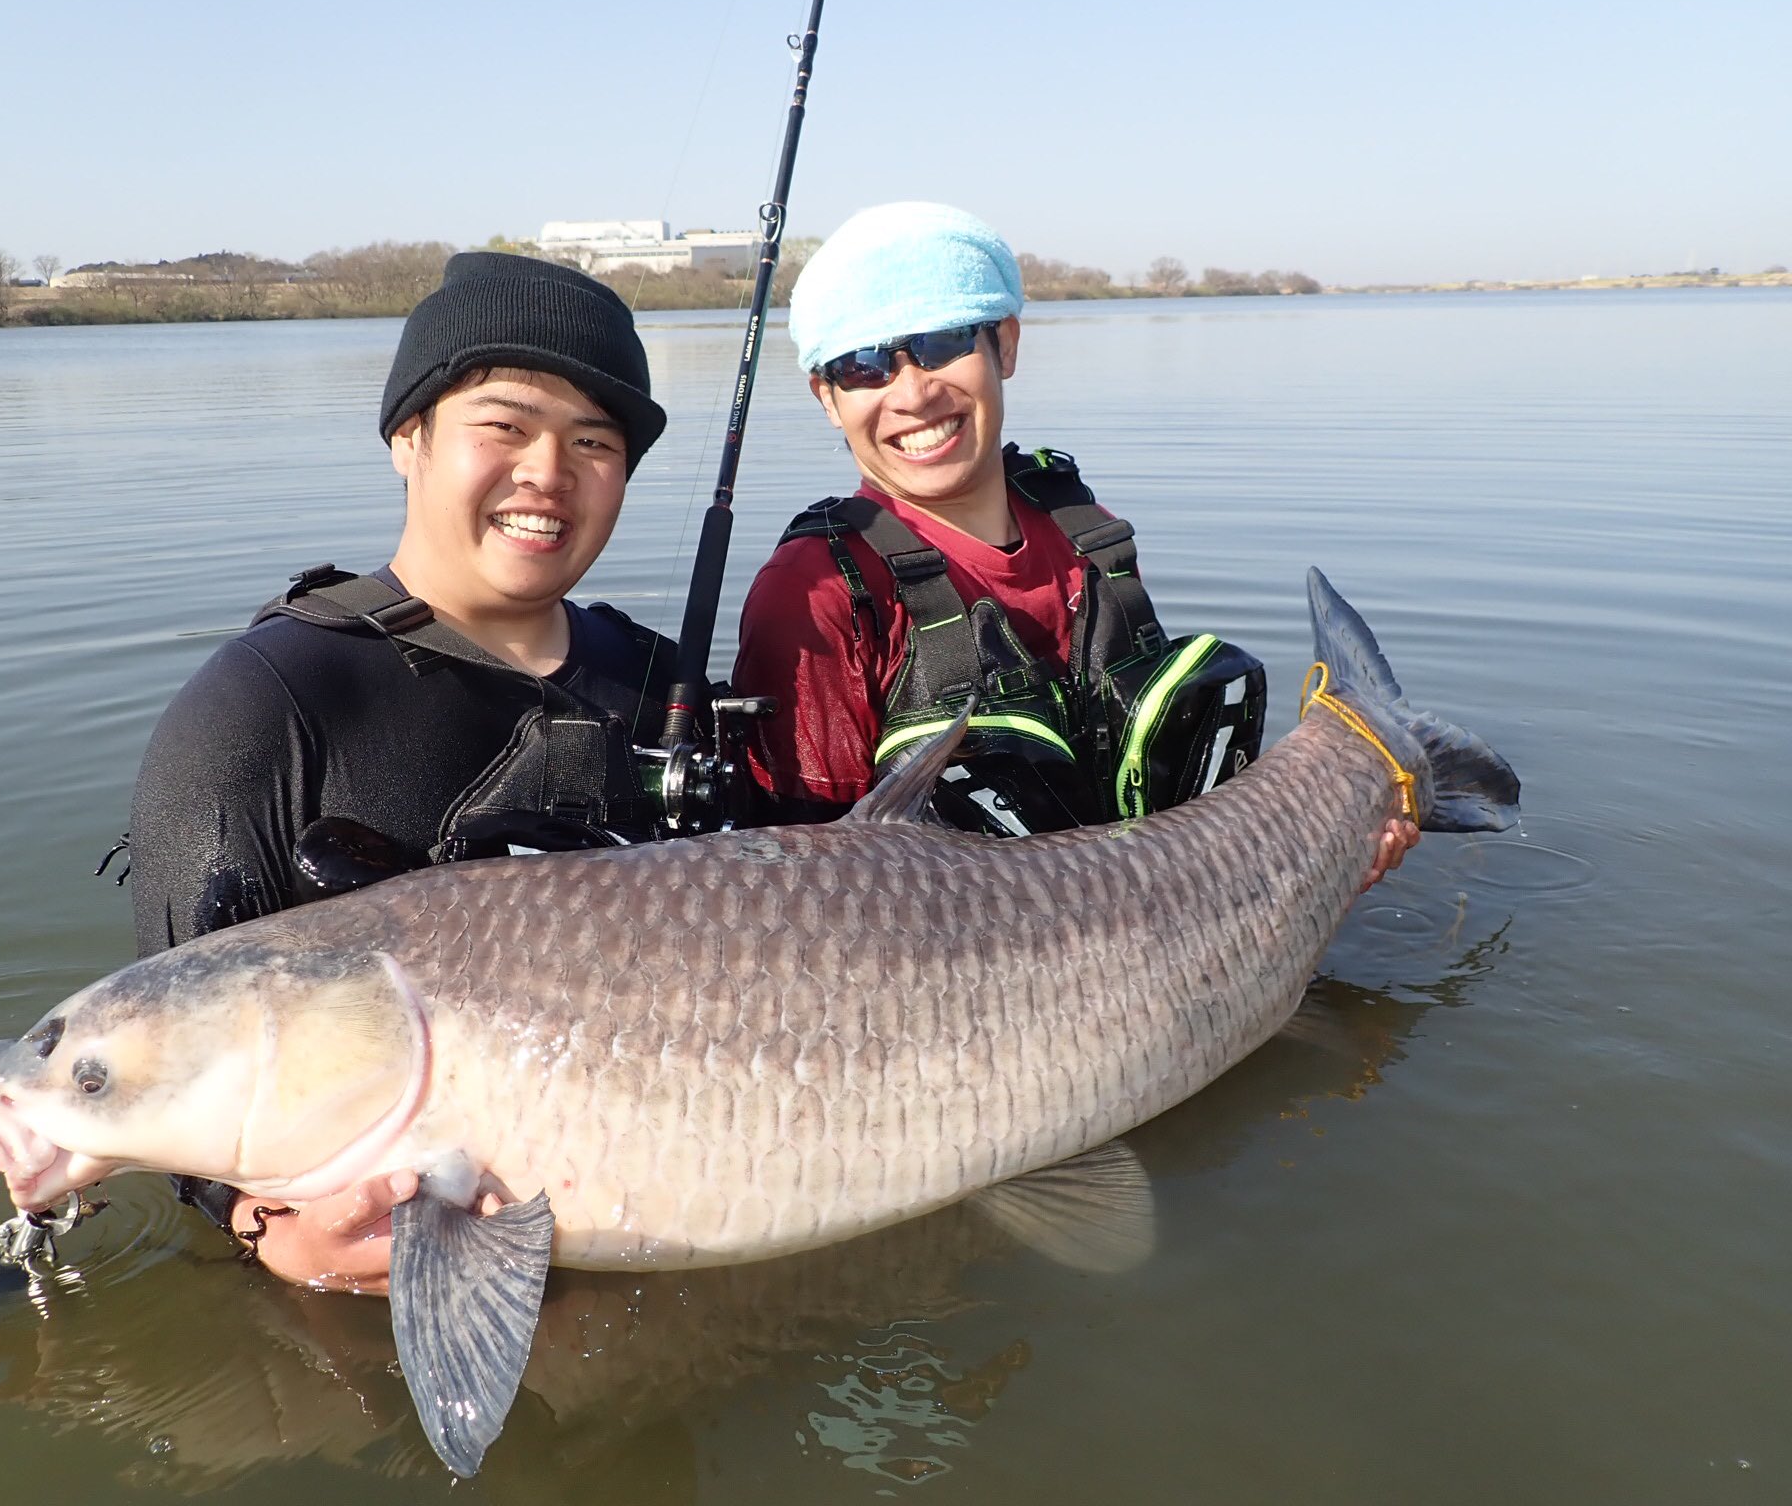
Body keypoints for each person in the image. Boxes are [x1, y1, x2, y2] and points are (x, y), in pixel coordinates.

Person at [124, 251, 678, 1289]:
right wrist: (261, 1229)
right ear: (406, 438)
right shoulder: (263, 705)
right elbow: (170, 1067)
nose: (547, 474)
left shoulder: (662, 681)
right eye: (504, 427)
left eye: (593, 442)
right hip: (368, 1284)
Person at [732, 202, 1418, 877]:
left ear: (1004, 344)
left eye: (943, 342)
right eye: (864, 366)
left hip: (1164, 917)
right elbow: (798, 887)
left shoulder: (1084, 530)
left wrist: (1317, 866)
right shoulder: (814, 593)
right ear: (827, 398)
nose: (912, 393)